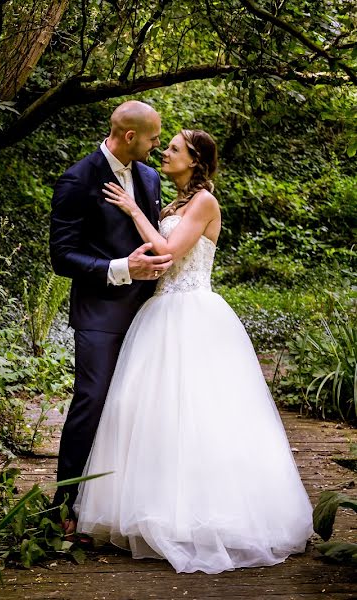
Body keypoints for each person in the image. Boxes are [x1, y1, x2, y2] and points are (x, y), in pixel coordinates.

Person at [74, 129, 314, 574]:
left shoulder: (203, 202)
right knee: (147, 413)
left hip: (193, 314)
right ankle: (151, 513)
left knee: (199, 414)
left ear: (196, 159)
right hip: (158, 314)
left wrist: (130, 208)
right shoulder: (173, 203)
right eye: (165, 146)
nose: (165, 152)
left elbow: (166, 251)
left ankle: (202, 518)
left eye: (175, 149)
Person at [48, 100, 172, 536]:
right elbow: (61, 256)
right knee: (92, 399)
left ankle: (126, 504)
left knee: (140, 406)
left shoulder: (151, 177)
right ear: (130, 136)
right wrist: (122, 269)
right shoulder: (77, 179)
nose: (158, 147)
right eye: (154, 138)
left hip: (150, 313)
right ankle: (64, 502)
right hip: (99, 312)